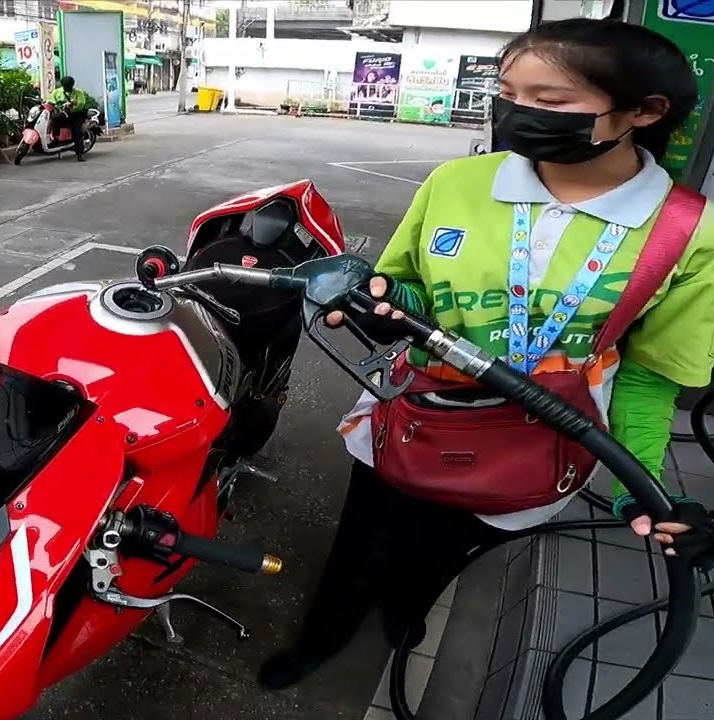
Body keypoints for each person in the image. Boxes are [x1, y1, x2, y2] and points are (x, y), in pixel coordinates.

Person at [258, 18, 714, 690]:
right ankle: (321, 639)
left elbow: (648, 378)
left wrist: (643, 490)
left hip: (538, 450)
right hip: (412, 416)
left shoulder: (687, 231)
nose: (517, 111)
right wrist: (383, 301)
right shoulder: (457, 183)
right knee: (359, 547)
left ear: (643, 111)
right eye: (508, 91)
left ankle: (404, 617)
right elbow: (403, 286)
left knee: (446, 558)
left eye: (551, 100)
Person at [50, 75, 90, 162]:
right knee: (54, 118)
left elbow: (81, 105)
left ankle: (79, 154)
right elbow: (51, 103)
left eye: (69, 86)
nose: (67, 88)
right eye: (66, 86)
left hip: (75, 115)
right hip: (63, 114)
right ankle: (56, 139)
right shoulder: (56, 92)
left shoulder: (79, 93)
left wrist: (71, 107)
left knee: (77, 132)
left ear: (72, 85)